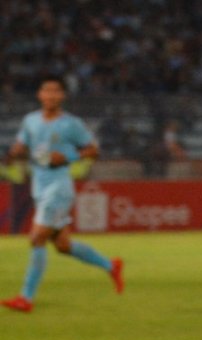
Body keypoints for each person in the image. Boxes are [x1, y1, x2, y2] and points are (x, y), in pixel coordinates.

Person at [3, 76, 123, 313]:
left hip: (58, 189)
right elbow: (21, 147)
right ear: (40, 95)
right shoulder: (30, 121)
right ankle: (111, 266)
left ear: (62, 96)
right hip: (39, 187)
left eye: (55, 91)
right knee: (62, 245)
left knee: (36, 238)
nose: (50, 95)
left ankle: (25, 298)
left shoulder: (71, 124)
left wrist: (69, 157)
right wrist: (15, 152)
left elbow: (93, 150)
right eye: (46, 90)